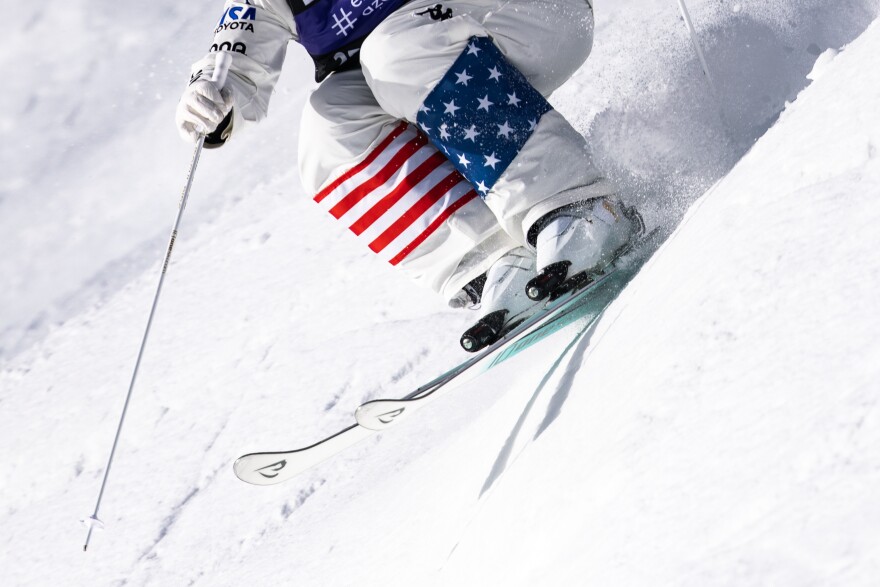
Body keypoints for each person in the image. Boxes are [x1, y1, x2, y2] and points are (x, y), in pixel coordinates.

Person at [176, 0, 642, 352]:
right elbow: (236, 48)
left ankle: (580, 207)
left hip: (520, 17)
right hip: (436, 66)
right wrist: (212, 91)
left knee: (395, 49)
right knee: (329, 126)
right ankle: (493, 259)